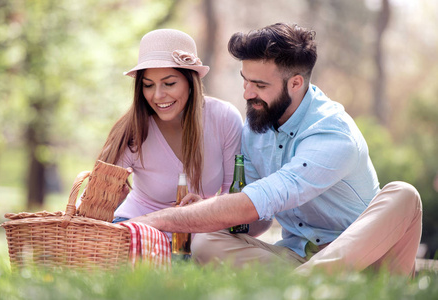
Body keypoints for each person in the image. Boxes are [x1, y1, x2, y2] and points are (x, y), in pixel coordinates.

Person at [126, 23, 422, 276]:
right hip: (295, 259)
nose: (247, 93)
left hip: (368, 260)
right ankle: (305, 283)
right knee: (204, 241)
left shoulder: (332, 132)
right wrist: (205, 209)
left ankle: (312, 283)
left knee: (404, 194)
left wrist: (156, 219)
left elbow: (263, 198)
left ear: (295, 83)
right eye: (245, 81)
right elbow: (253, 219)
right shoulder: (257, 129)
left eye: (259, 85)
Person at [98, 29, 243, 241]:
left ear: (190, 82)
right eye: (148, 85)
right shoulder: (134, 128)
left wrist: (205, 208)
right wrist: (111, 197)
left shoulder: (224, 118)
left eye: (169, 83)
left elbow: (235, 197)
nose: (157, 96)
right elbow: (94, 199)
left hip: (202, 232)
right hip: (140, 229)